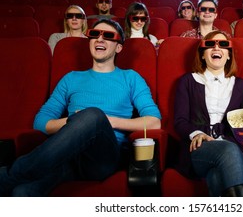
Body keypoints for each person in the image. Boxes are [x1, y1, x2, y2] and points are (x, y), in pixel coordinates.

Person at [0, 19, 161, 197]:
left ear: (119, 48)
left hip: (103, 157)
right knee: (21, 192)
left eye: (108, 36)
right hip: (66, 156)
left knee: (93, 115)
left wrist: (105, 121)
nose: (99, 39)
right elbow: (40, 122)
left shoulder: (130, 78)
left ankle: (9, 175)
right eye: (94, 34)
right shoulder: (71, 78)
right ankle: (13, 180)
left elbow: (153, 122)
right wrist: (76, 122)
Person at [174, 30, 243, 197]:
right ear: (203, 55)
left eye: (223, 45)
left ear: (228, 55)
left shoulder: (240, 85)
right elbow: (180, 121)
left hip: (231, 148)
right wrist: (197, 134)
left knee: (216, 176)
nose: (216, 48)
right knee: (229, 150)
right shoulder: (188, 81)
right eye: (210, 45)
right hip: (198, 148)